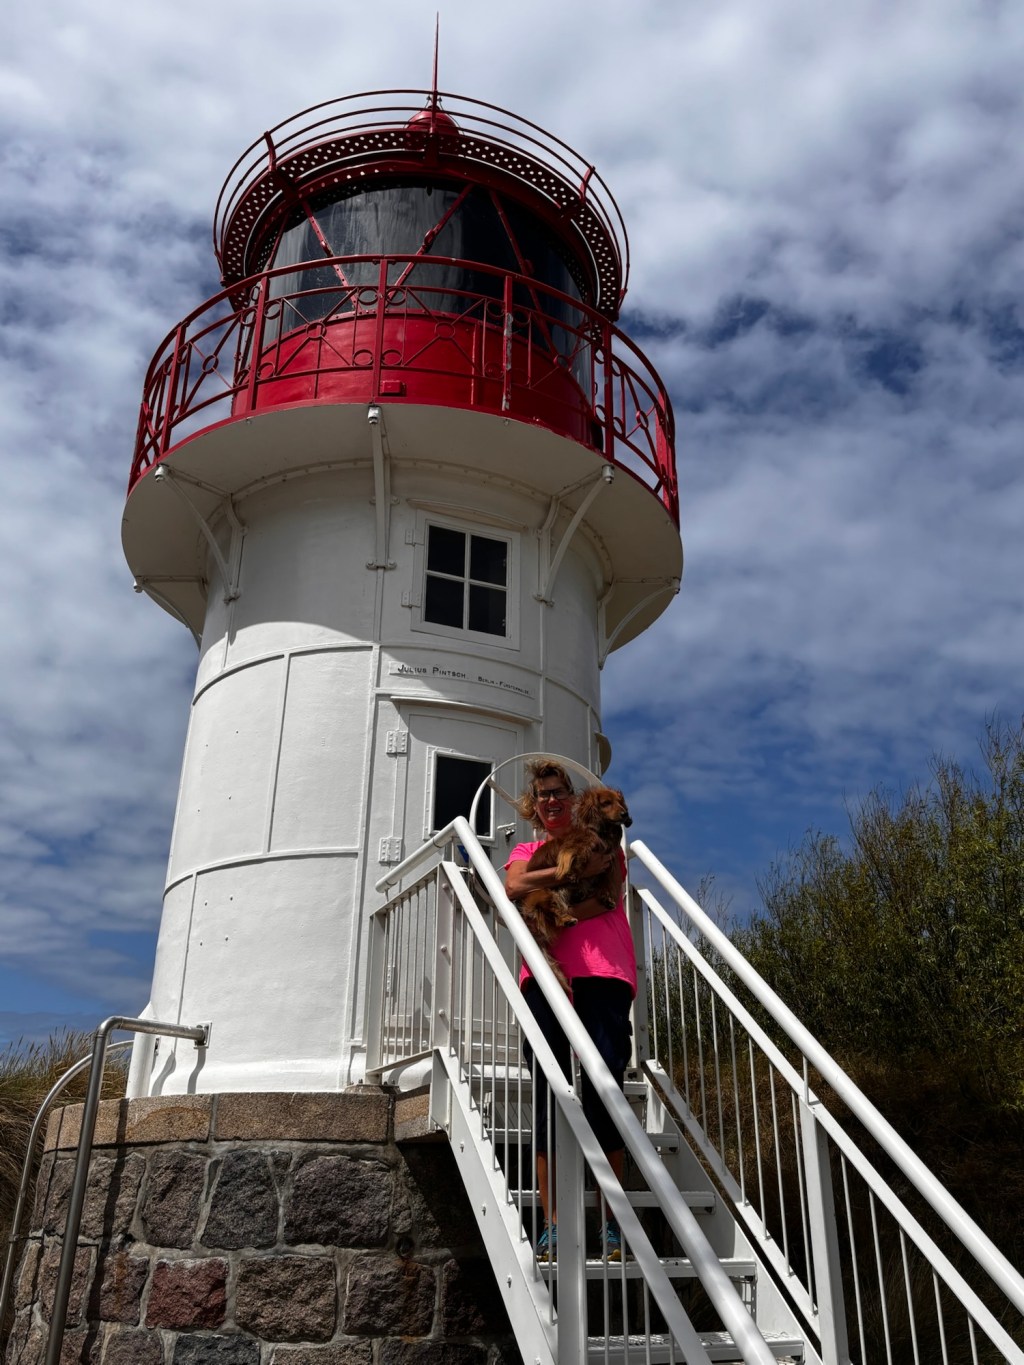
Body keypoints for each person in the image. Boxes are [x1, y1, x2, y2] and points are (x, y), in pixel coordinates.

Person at [504, 759, 636, 1262]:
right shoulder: (525, 850)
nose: (552, 800)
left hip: (603, 973)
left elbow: (606, 900)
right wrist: (558, 886)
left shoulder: (604, 842)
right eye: (543, 796)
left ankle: (614, 1225)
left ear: (572, 797)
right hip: (546, 977)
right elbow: (515, 887)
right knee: (548, 1095)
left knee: (606, 1093)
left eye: (559, 792)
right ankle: (554, 1225)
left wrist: (555, 906)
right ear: (533, 807)